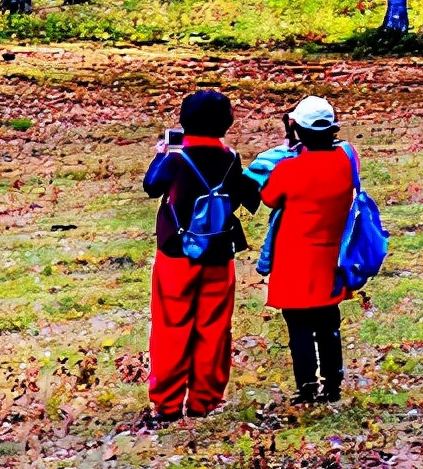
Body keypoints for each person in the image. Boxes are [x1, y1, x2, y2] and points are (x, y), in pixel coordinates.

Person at [142, 90, 260, 422]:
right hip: (218, 252)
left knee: (172, 326)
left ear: (183, 120)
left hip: (176, 253)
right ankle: (203, 401)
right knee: (214, 327)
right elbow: (240, 198)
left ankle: (167, 403)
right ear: (227, 122)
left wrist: (161, 154)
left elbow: (151, 186)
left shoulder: (176, 157)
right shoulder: (231, 158)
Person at [260, 96, 356, 404]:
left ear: (297, 130)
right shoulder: (345, 161)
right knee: (328, 324)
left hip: (293, 261)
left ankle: (306, 387)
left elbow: (270, 198)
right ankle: (332, 385)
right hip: (329, 258)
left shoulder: (289, 169)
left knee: (299, 328)